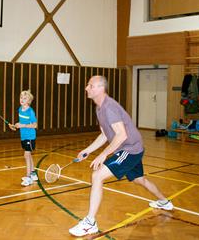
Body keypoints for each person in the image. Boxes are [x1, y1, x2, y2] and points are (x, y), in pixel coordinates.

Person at [69, 76, 174, 237]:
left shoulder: (109, 108)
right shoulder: (99, 108)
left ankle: (90, 223)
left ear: (100, 88)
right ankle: (165, 202)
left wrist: (103, 154)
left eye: (90, 85)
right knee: (141, 180)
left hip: (129, 149)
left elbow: (121, 135)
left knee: (97, 176)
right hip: (133, 147)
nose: (86, 88)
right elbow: (105, 135)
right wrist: (87, 151)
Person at [10, 90, 38, 186]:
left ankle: (28, 177)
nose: (22, 99)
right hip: (23, 136)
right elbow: (21, 123)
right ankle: (33, 174)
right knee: (28, 155)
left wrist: (23, 125)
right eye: (21, 97)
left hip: (30, 136)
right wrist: (14, 126)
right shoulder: (20, 109)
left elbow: (35, 125)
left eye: (25, 98)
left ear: (29, 101)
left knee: (26, 155)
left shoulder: (30, 111)